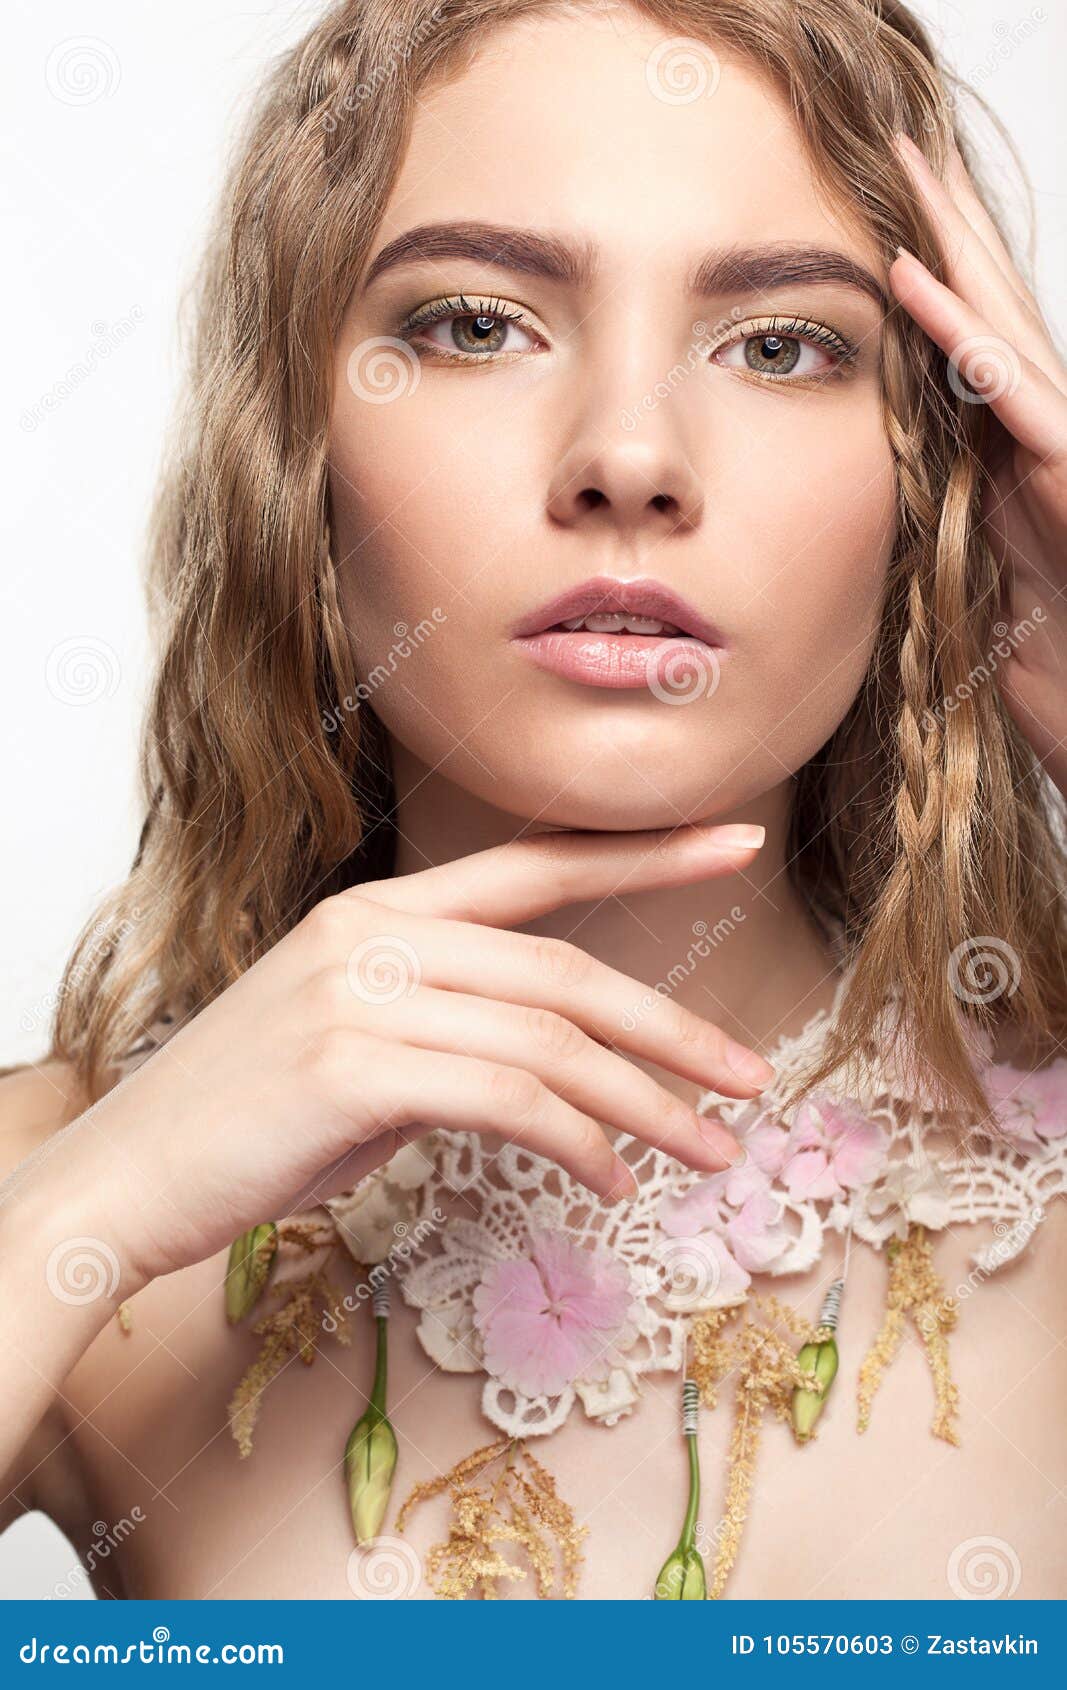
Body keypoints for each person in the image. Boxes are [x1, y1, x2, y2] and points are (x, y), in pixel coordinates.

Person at [3, 0, 1066, 1601]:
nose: (630, 455)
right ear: (294, 447)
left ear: (936, 484)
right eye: (477, 323)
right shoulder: (59, 1179)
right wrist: (83, 1214)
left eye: (783, 342)